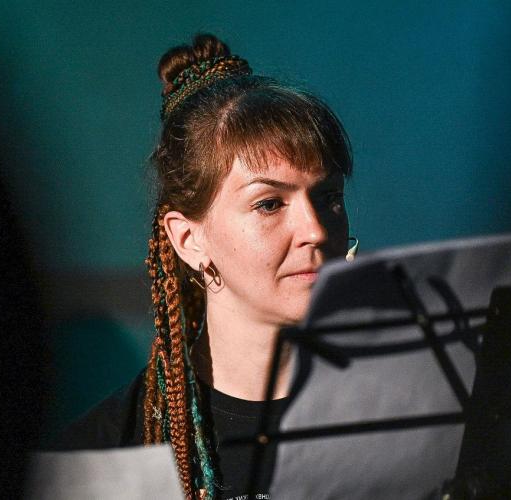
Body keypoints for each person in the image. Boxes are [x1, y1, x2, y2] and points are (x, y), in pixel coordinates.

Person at [55, 33, 353, 500]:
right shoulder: (103, 457)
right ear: (188, 239)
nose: (315, 230)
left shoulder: (416, 406)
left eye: (328, 196)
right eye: (269, 203)